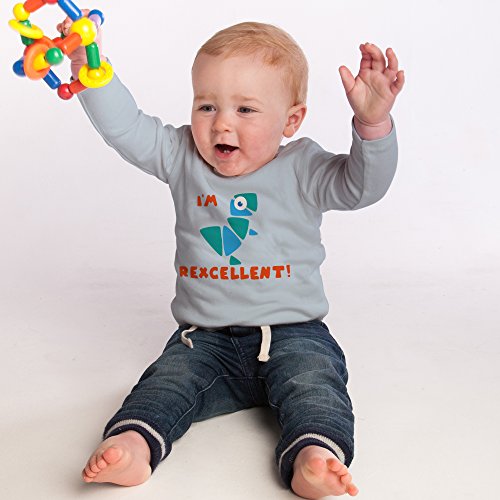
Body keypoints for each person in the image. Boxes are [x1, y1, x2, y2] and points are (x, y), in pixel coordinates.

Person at [58, 14, 404, 498]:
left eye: (245, 109)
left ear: (291, 120)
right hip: (205, 338)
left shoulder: (302, 166)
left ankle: (312, 455)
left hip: (293, 331)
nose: (221, 122)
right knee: (164, 384)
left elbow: (363, 187)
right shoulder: (182, 155)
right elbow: (127, 128)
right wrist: (90, 69)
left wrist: (372, 124)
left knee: (316, 386)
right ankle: (134, 445)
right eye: (207, 105)